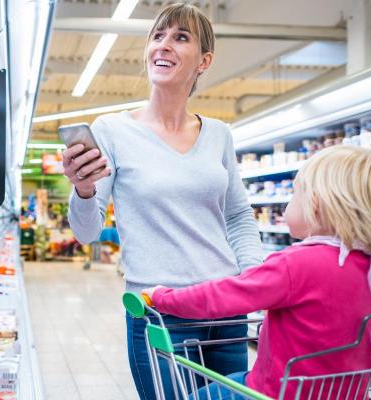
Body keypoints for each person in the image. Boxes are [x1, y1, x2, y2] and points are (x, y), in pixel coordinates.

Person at [63, 3, 263, 398]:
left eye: (180, 37)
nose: (163, 45)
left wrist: (254, 281)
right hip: (161, 312)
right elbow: (86, 232)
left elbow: (238, 216)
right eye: (158, 36)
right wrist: (83, 190)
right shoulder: (113, 131)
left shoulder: (219, 134)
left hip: (227, 310)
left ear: (204, 61)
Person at [142, 145, 371, 400]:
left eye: (295, 194)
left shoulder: (297, 264)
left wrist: (162, 297)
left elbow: (221, 296)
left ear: (314, 204)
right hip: (346, 394)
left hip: (276, 392)